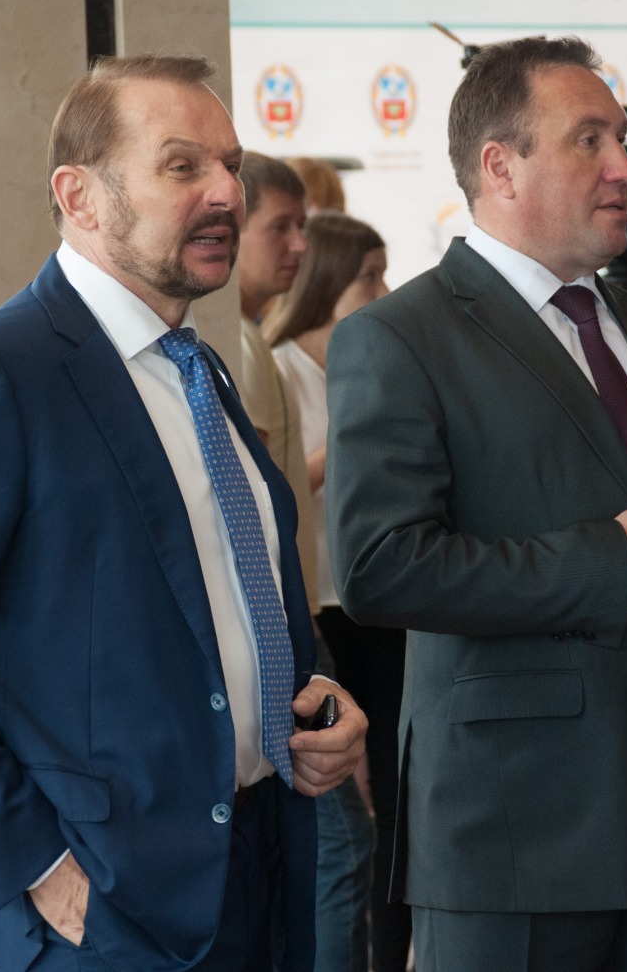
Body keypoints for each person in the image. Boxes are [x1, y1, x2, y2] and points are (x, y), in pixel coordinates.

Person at [0, 54, 368, 972]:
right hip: (105, 909)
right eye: (183, 166)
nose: (225, 193)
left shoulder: (200, 368)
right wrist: (36, 863)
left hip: (258, 869)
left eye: (231, 165)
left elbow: (216, 601)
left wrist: (313, 703)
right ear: (79, 197)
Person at [326, 35, 627, 972]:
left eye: (619, 138)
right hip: (515, 848)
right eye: (590, 140)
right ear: (500, 167)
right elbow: (380, 566)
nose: (624, 166)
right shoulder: (400, 337)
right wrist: (603, 569)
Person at [232, 155, 368, 972]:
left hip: (294, 620)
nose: (297, 246)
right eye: (279, 227)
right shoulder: (241, 351)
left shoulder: (242, 342)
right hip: (283, 628)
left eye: (302, 227)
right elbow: (256, 507)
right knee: (341, 848)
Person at [266, 212, 409, 972]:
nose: (383, 291)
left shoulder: (375, 366)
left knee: (395, 799)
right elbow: (281, 490)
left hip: (375, 604)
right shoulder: (278, 367)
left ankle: (393, 951)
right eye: (368, 277)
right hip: (317, 616)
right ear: (328, 282)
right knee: (342, 820)